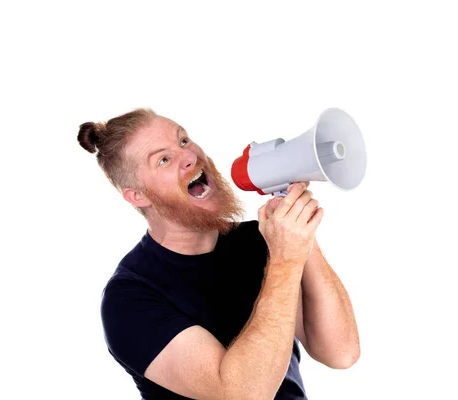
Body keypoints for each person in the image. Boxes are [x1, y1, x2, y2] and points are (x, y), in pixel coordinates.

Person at [77, 108, 360, 400]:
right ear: (138, 195)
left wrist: (301, 238)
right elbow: (241, 394)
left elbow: (341, 352)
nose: (189, 156)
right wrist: (285, 260)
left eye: (184, 141)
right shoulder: (129, 297)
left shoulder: (263, 239)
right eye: (164, 159)